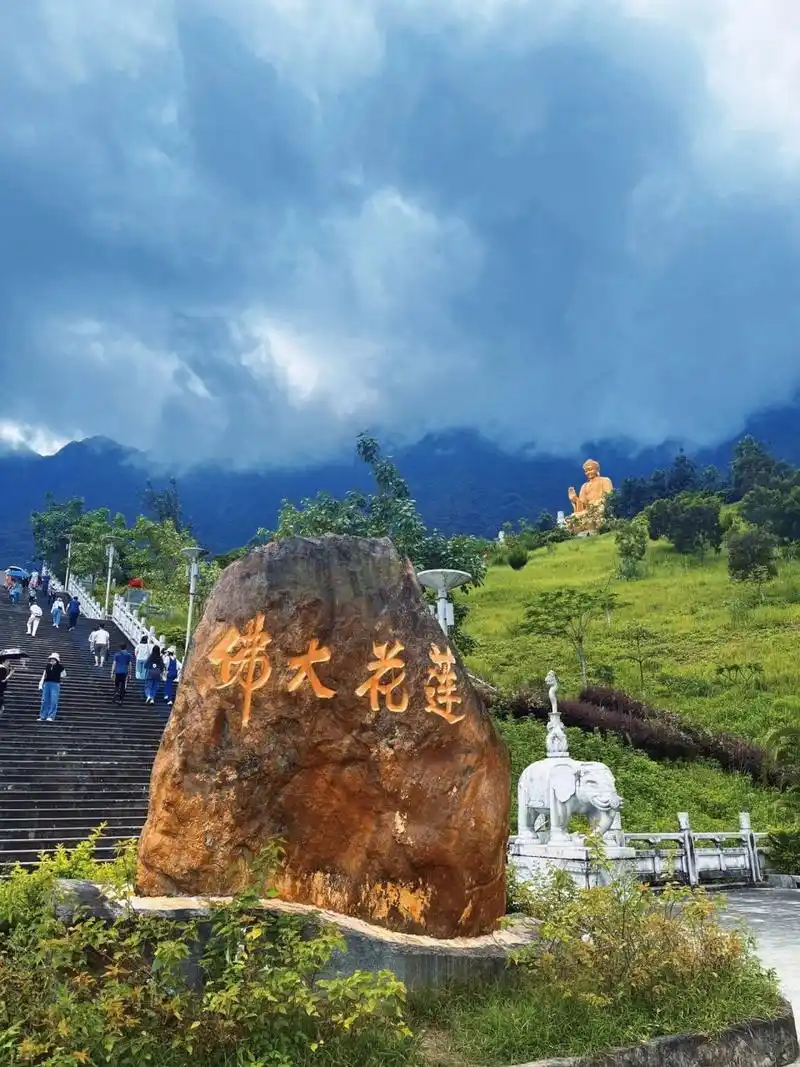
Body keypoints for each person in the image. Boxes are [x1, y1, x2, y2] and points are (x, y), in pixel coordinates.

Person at [38, 652, 66, 722]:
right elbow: (44, 675)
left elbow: (64, 674)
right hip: (47, 683)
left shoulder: (60, 666)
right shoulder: (47, 666)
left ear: (57, 660)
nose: (52, 660)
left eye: (53, 659)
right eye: (51, 659)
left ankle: (51, 716)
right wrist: (41, 683)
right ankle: (43, 716)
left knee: (53, 700)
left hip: (55, 684)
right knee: (45, 700)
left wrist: (57, 676)